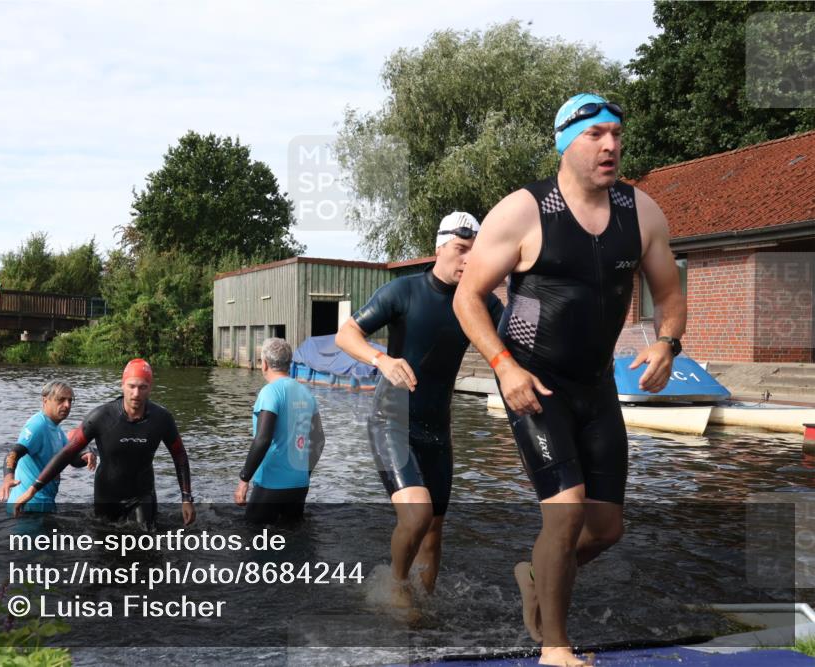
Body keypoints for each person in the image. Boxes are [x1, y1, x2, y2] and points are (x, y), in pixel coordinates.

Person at [452, 93, 687, 667]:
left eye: (617, 134)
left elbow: (671, 294)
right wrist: (504, 369)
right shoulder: (524, 211)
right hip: (534, 382)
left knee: (606, 528)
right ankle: (554, 647)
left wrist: (667, 341)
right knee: (567, 509)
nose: (611, 145)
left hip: (596, 383)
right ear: (565, 142)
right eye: (596, 135)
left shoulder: (642, 212)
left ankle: (537, 573)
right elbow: (468, 297)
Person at [335, 211, 505, 610]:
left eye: (475, 253)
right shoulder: (404, 291)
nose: (468, 260)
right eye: (461, 250)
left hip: (437, 430)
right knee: (416, 516)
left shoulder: (479, 303)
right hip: (391, 420)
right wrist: (382, 360)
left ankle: (425, 607)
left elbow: (520, 337)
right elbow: (346, 334)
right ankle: (394, 588)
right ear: (440, 247)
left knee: (434, 531)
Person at [14, 359, 196, 529]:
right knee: (106, 550)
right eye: (131, 386)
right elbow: (68, 453)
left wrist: (186, 499)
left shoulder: (162, 419)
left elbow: (179, 455)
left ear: (150, 389)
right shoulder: (101, 417)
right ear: (122, 386)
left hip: (142, 494)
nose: (136, 394)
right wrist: (33, 489)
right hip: (107, 495)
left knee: (146, 541)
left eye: (143, 387)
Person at [234, 338, 326, 524]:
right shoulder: (306, 393)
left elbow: (263, 439)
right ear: (289, 363)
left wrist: (244, 479)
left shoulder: (270, 392)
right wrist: (305, 472)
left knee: (254, 538)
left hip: (271, 484)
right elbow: (319, 440)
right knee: (293, 538)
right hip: (299, 485)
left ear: (265, 364)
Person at [0, 381, 95, 512]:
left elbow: (70, 459)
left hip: (43, 504)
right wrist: (8, 478)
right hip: (26, 507)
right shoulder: (38, 425)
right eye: (61, 400)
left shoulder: (57, 429)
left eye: (70, 401)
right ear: (45, 400)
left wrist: (85, 456)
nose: (67, 405)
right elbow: (14, 453)